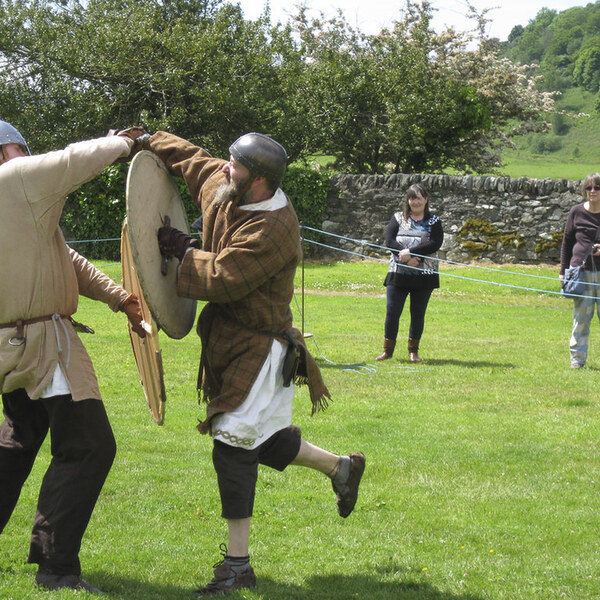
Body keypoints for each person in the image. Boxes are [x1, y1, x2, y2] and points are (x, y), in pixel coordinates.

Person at [142, 130, 366, 596]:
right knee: (261, 440)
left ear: (259, 180)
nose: (226, 169)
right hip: (232, 342)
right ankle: (341, 468)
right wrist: (146, 140)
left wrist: (184, 250)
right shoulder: (230, 190)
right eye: (229, 162)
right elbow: (197, 164)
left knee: (232, 448)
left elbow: (224, 277)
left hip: (261, 349)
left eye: (236, 166)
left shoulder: (274, 228)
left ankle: (238, 565)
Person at [0, 120, 147, 593]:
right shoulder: (14, 179)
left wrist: (117, 296)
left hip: (11, 349)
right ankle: (57, 566)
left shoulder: (17, 207)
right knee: (88, 446)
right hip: (42, 349)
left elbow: (63, 257)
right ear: (10, 149)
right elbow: (70, 161)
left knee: (17, 443)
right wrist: (122, 143)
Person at [376, 183, 444, 363]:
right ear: (408, 200)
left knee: (418, 312)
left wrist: (413, 255)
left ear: (426, 200)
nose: (415, 201)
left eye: (419, 198)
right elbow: (389, 240)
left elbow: (435, 243)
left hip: (424, 276)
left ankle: (413, 352)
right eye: (412, 198)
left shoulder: (434, 221)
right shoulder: (398, 218)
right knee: (392, 311)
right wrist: (404, 258)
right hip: (398, 274)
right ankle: (387, 351)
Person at [560, 173, 600, 368]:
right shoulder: (576, 212)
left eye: (597, 188)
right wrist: (562, 271)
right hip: (581, 273)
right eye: (589, 188)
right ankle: (577, 361)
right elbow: (567, 243)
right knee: (581, 320)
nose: (592, 192)